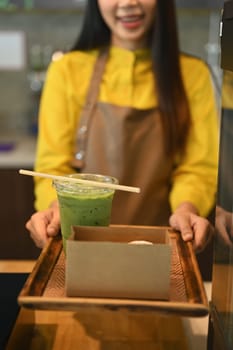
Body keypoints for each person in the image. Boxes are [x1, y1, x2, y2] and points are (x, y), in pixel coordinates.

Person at [26, 0, 219, 252]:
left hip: (159, 249)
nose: (128, 3)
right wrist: (54, 207)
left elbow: (198, 168)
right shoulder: (67, 70)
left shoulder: (193, 75)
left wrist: (187, 209)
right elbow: (53, 167)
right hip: (79, 245)